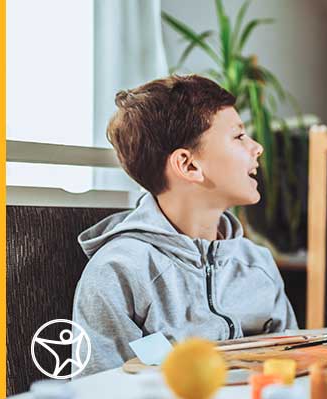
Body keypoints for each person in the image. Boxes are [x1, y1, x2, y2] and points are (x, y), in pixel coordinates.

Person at [72, 75, 297, 376]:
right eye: (239, 136)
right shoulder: (118, 272)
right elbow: (100, 389)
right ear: (189, 165)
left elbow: (296, 371)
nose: (257, 148)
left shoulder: (257, 264)